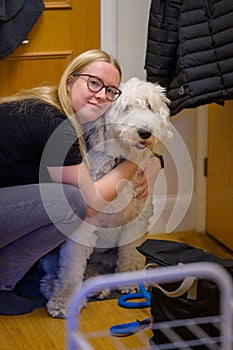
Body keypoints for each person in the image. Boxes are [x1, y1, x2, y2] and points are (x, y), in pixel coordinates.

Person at [0, 49, 162, 315]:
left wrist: (154, 158)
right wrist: (135, 159)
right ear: (70, 81)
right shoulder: (53, 124)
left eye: (110, 90)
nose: (101, 94)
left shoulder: (61, 113)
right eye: (94, 83)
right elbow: (92, 204)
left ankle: (7, 278)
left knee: (64, 202)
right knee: (72, 202)